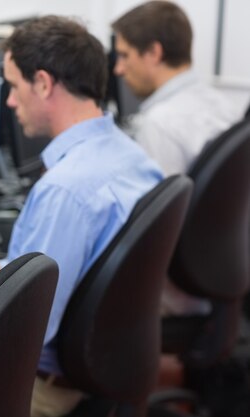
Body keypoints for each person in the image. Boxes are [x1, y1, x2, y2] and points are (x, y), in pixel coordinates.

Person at [0, 16, 163, 417]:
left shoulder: (64, 191)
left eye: (15, 87)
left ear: (45, 84)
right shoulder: (132, 158)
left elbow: (29, 329)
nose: (11, 102)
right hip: (113, 364)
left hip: (49, 390)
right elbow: (78, 271)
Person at [111, 0, 244, 316]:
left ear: (154, 53)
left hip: (177, 296)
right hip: (223, 271)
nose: (118, 68)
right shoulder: (221, 103)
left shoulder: (160, 124)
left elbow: (155, 230)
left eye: (124, 55)